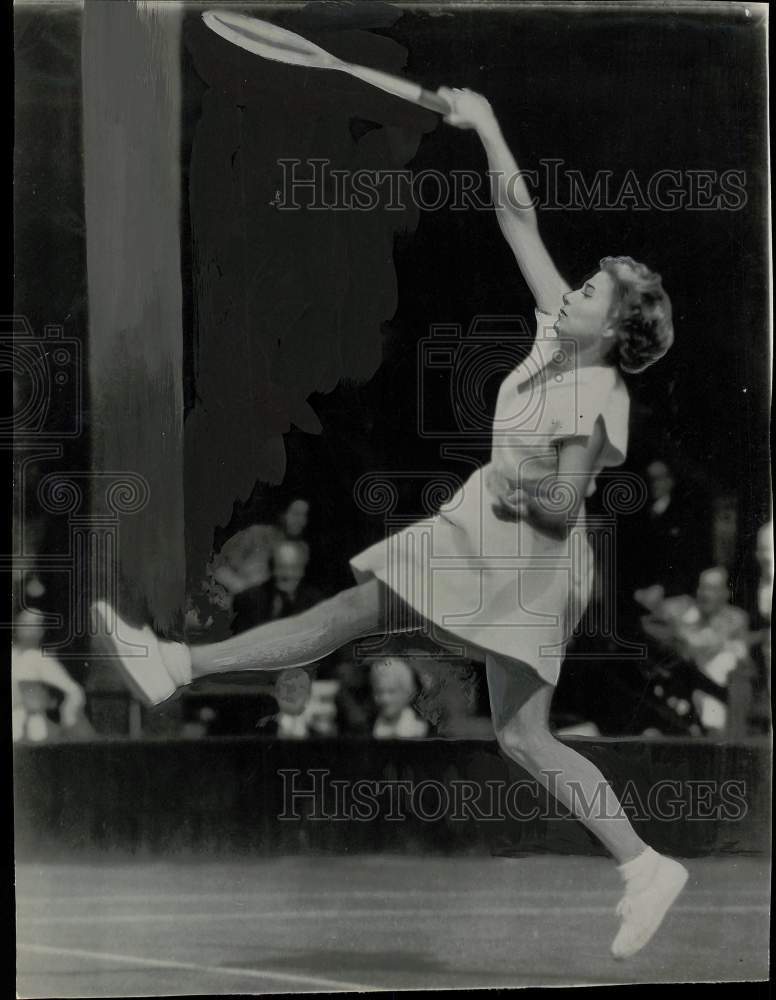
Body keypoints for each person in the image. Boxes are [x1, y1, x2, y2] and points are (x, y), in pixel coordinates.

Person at [93, 87, 684, 958]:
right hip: (489, 529)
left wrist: (515, 496)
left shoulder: (596, 394)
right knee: (513, 729)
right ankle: (644, 865)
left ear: (612, 326)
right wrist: (486, 125)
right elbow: (518, 219)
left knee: (380, 636)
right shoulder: (560, 333)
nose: (577, 286)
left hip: (526, 555)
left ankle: (175, 664)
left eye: (593, 288)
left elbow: (563, 507)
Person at [370, 657, 429, 739]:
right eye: (379, 692)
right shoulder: (373, 729)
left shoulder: (418, 730)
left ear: (406, 693)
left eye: (391, 692)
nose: (385, 699)